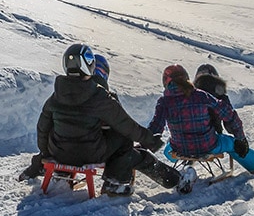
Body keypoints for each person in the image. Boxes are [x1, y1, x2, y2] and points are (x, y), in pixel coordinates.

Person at [29, 44, 191, 196]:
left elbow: (43, 127)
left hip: (59, 153)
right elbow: (126, 125)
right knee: (124, 138)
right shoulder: (98, 96)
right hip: (89, 154)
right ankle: (116, 182)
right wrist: (150, 141)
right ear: (89, 65)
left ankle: (62, 173)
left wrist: (47, 152)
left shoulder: (56, 95)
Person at [148, 64, 254, 172]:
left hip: (179, 148)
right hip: (208, 145)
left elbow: (155, 128)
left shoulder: (164, 102)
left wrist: (144, 144)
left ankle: (186, 159)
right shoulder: (201, 95)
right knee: (232, 143)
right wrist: (241, 138)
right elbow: (229, 114)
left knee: (168, 148)